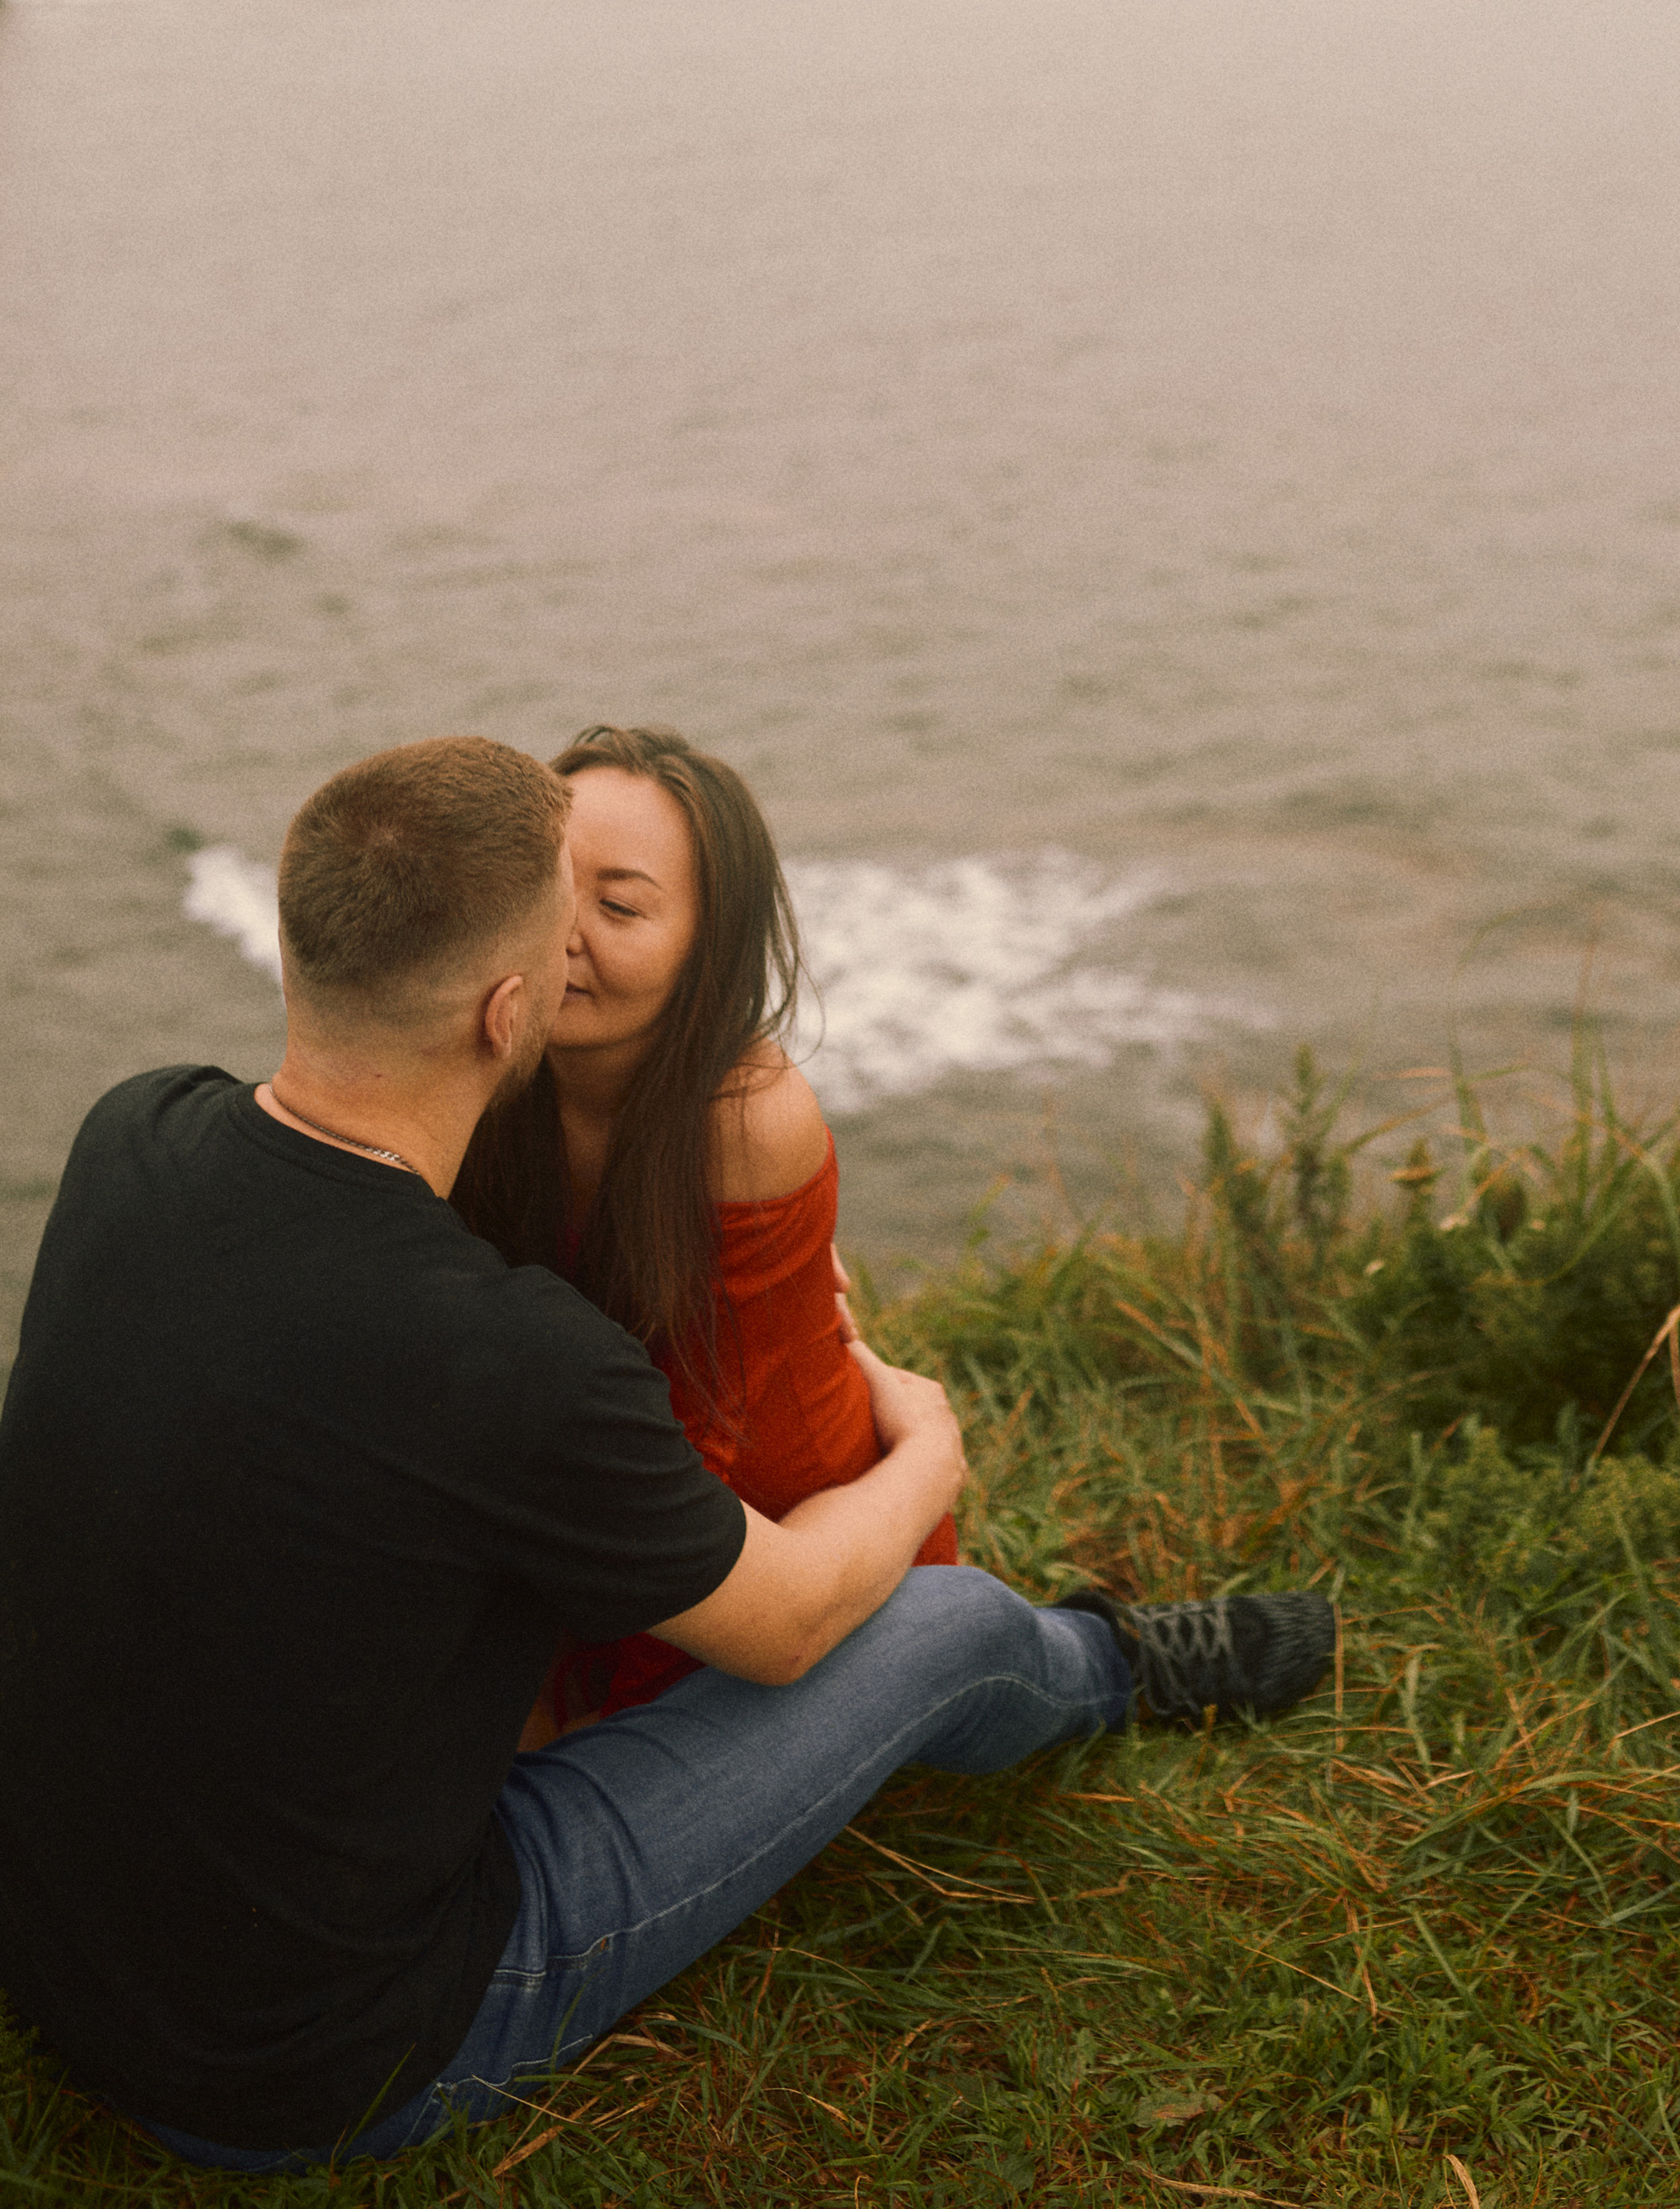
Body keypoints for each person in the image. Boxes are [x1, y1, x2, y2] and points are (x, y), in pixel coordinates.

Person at [0, 735, 1334, 2171]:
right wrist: (930, 1452)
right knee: (940, 1620)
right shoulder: (502, 1361)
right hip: (315, 2067)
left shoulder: (134, 1130)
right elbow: (790, 1623)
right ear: (511, 1009)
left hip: (56, 1957)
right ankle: (1109, 1666)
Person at [453, 724, 954, 1742]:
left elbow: (698, 1453)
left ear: (707, 948)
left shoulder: (741, 1119)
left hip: (789, 1549)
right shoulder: (481, 1054)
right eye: (547, 887)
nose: (562, 934)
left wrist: (555, 1682)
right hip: (604, 1520)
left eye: (622, 906)